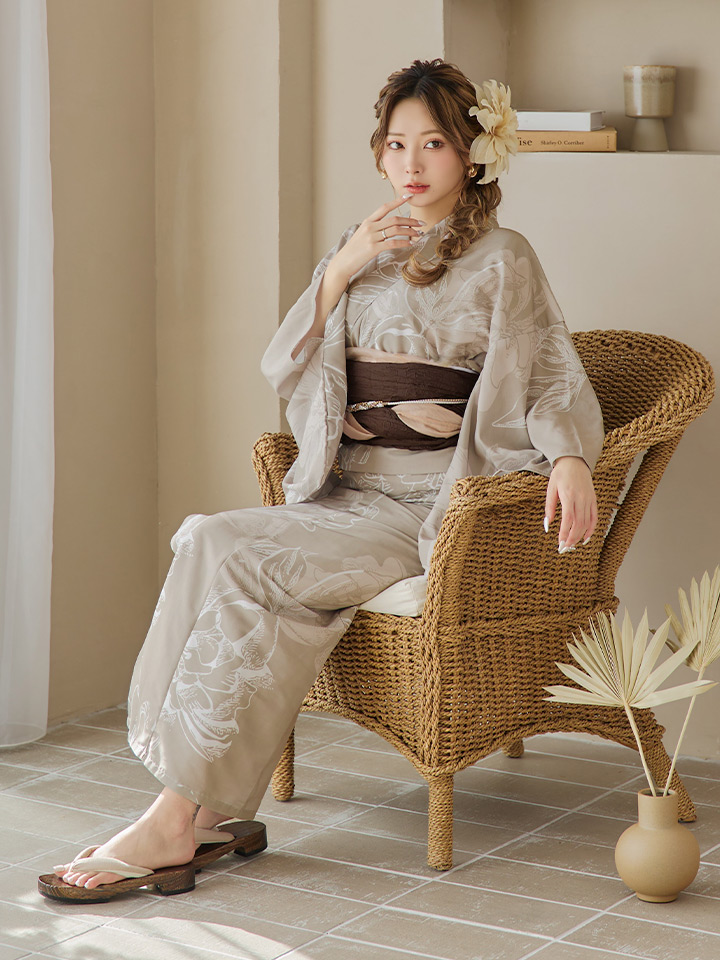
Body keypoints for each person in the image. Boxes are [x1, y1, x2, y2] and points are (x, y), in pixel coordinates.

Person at [39, 59, 603, 902]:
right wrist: (342, 268)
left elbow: (551, 373)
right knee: (208, 540)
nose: (411, 163)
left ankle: (172, 820)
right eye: (396, 144)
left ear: (472, 153)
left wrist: (570, 457)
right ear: (379, 153)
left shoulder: (503, 258)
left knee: (245, 567)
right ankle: (196, 810)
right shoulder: (360, 245)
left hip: (422, 509)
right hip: (342, 494)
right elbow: (284, 365)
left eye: (433, 143)